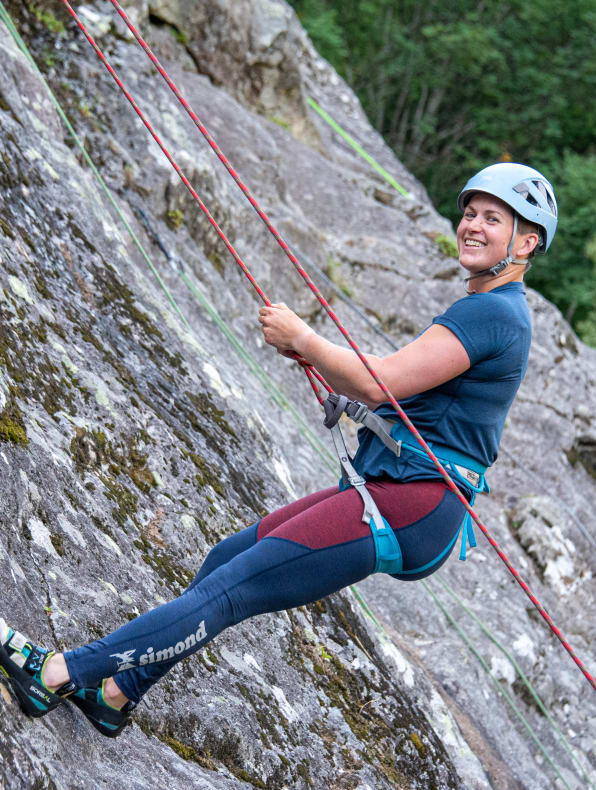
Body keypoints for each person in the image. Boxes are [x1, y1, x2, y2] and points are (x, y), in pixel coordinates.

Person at [0, 163, 557, 736]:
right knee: (227, 559)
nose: (473, 226)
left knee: (230, 590)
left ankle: (57, 673)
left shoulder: (494, 311)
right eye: (470, 213)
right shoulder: (495, 310)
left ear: (526, 241)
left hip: (412, 503)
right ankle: (116, 694)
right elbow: (420, 398)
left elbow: (380, 379)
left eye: (493, 219)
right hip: (405, 495)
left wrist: (307, 341)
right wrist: (347, 384)